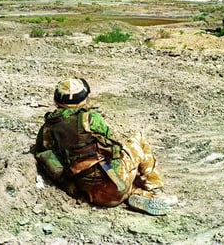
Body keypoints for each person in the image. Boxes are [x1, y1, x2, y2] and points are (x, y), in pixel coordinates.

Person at [34, 78, 176, 215]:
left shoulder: (46, 129)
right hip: (115, 181)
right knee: (139, 140)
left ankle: (135, 193)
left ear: (56, 100)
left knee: (105, 180)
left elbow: (50, 162)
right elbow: (112, 143)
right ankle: (155, 190)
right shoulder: (89, 119)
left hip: (90, 193)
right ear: (83, 100)